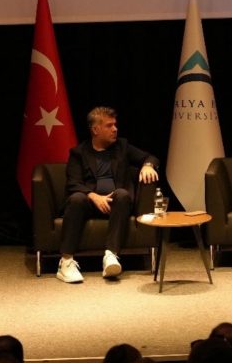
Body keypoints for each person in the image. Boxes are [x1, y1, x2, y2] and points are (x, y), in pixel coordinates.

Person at [56, 107, 159, 284]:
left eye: (115, 125)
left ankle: (111, 256)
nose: (115, 129)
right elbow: (73, 183)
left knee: (122, 194)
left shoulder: (122, 147)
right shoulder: (78, 153)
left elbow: (150, 157)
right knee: (77, 198)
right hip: (89, 204)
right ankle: (65, 262)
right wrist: (94, 196)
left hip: (117, 204)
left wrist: (148, 166)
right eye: (109, 126)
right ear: (95, 130)